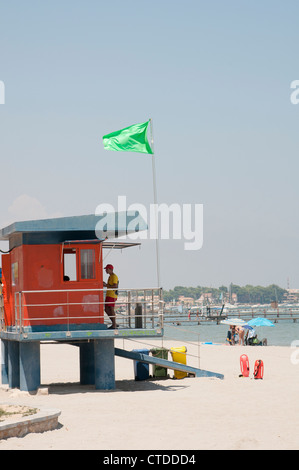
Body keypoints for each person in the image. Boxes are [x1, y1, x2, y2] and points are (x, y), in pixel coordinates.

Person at [103, 264, 119, 329]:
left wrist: (106, 285)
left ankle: (114, 324)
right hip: (109, 295)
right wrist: (106, 284)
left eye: (107, 269)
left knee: (111, 309)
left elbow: (115, 286)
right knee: (106, 309)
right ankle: (114, 323)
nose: (106, 270)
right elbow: (110, 285)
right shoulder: (110, 276)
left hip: (112, 295)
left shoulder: (114, 276)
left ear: (110, 269)